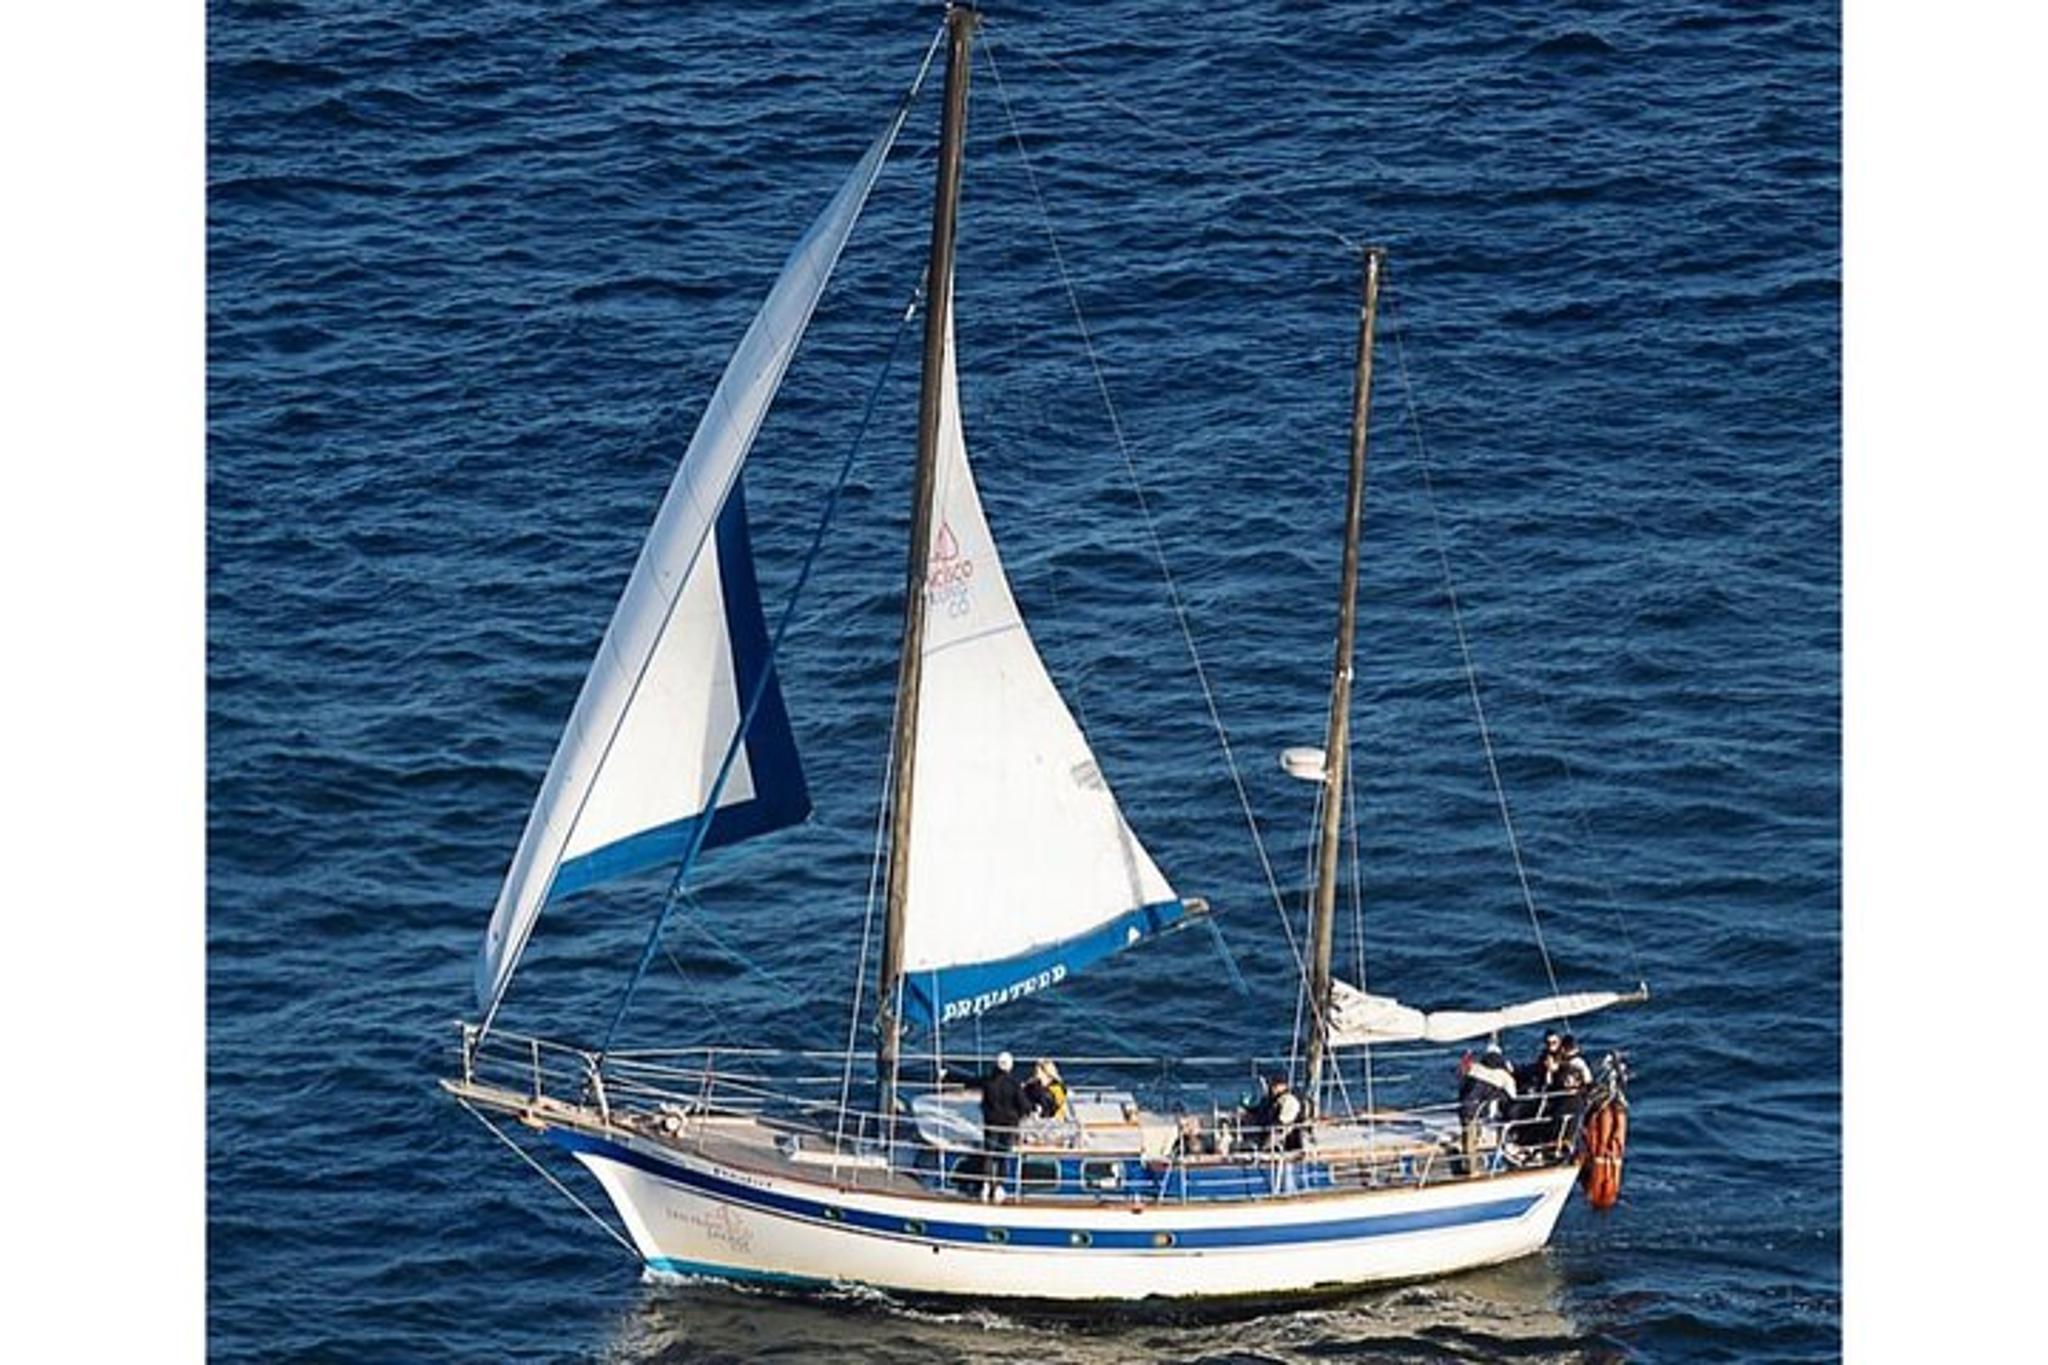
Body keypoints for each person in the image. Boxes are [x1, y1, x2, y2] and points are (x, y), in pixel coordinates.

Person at [971, 1050, 1030, 1203]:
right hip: (1008, 1124)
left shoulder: (988, 1081)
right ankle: (998, 1187)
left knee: (989, 1154)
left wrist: (947, 1076)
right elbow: (1023, 1105)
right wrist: (1027, 1111)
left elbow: (972, 1081)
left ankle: (985, 1185)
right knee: (1003, 1155)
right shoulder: (1014, 1083)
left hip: (991, 1123)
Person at [1457, 1041, 1518, 1176]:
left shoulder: (1475, 1068)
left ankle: (1470, 1165)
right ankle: (1472, 1170)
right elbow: (1512, 1096)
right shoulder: (1503, 1074)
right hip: (1479, 1110)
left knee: (1468, 1138)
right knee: (1473, 1137)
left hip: (1467, 1107)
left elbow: (1462, 1082)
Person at [1243, 1075, 1305, 1153]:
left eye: (1275, 1085)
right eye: (1272, 1085)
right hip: (1265, 1132)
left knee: (1273, 1135)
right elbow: (1259, 1111)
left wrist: (1268, 1131)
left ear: (1283, 1086)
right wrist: (1248, 1109)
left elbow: (1283, 1122)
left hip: (1281, 1137)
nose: (1272, 1088)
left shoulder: (1289, 1101)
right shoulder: (1270, 1100)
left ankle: (1262, 1149)